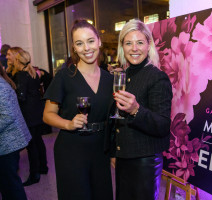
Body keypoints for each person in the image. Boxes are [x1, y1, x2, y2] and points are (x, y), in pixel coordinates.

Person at [43, 19, 113, 200]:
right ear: (74, 47)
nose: (86, 48)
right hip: (71, 149)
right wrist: (68, 123)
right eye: (79, 43)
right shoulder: (65, 77)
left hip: (100, 149)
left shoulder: (109, 79)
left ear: (99, 41)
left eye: (90, 41)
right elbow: (47, 115)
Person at [111, 19, 173, 200]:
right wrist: (115, 151)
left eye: (140, 42)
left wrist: (136, 110)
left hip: (145, 162)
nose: (134, 48)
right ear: (122, 47)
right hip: (124, 157)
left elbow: (162, 125)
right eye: (128, 43)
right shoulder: (123, 75)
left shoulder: (157, 77)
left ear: (148, 45)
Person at [6, 47, 48, 186]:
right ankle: (43, 167)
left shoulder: (21, 75)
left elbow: (21, 97)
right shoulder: (33, 73)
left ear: (18, 61)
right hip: (37, 111)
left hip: (28, 114)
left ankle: (34, 174)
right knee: (38, 141)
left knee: (31, 146)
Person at [0, 62, 31, 200]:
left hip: (7, 143)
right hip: (7, 143)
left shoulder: (0, 86)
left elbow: (7, 116)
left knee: (11, 186)